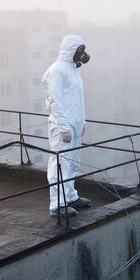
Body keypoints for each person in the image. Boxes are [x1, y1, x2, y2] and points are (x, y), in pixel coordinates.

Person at [41, 34, 92, 217]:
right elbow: (55, 101)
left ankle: (70, 196)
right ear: (72, 50)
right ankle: (57, 204)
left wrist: (82, 121)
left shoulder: (73, 69)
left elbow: (78, 100)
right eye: (80, 50)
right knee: (59, 163)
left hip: (74, 126)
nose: (83, 55)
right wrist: (64, 127)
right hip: (63, 128)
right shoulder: (57, 70)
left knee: (72, 163)